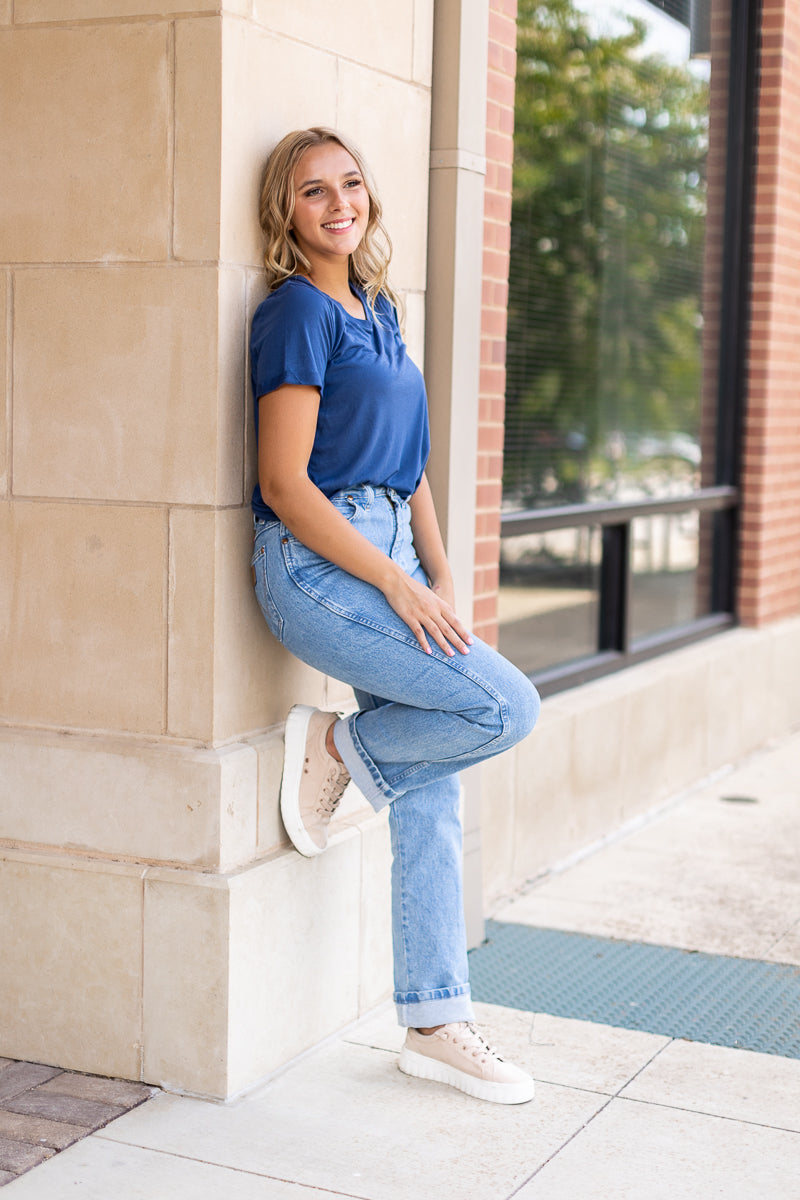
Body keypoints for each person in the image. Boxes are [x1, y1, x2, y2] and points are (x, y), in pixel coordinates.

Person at [250, 127, 540, 1105]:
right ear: (286, 212)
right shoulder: (296, 312)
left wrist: (438, 573)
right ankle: (334, 744)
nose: (339, 203)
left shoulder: (379, 308)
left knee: (434, 785)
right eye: (313, 191)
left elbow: (410, 465)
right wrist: (396, 582)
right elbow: (285, 485)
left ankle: (432, 1021)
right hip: (316, 566)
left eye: (351, 184)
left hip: (395, 557)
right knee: (503, 707)